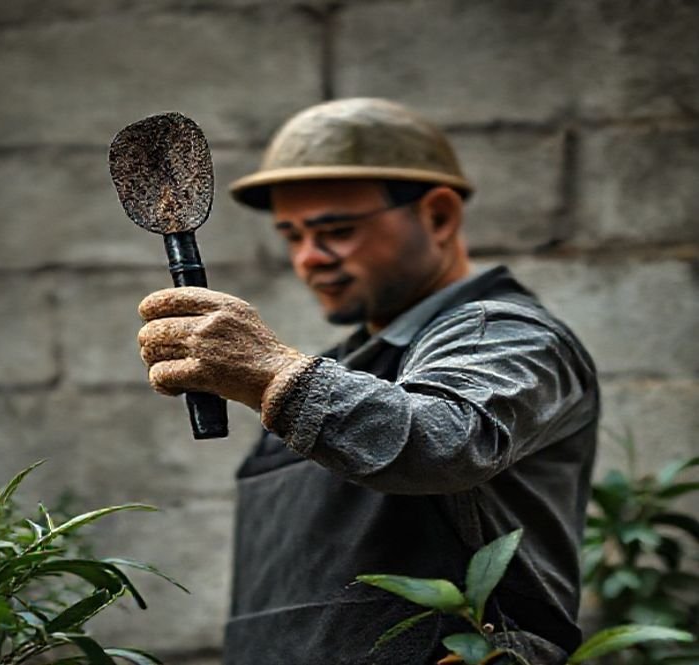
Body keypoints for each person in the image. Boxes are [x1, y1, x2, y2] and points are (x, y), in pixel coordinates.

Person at [136, 98, 599, 665]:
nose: (311, 258)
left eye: (337, 229)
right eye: (293, 235)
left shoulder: (499, 330)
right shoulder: (348, 366)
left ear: (439, 216)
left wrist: (273, 374)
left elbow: (447, 441)